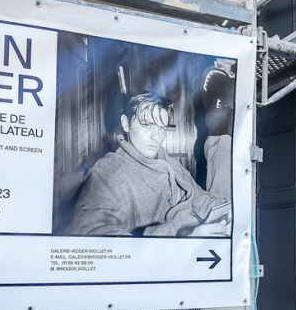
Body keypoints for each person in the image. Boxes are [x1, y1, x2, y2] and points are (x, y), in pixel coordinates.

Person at [71, 91, 230, 237]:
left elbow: (201, 198)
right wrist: (186, 240)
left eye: (162, 128)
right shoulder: (107, 171)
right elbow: (94, 236)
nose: (157, 137)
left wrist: (230, 211)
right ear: (126, 124)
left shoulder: (167, 161)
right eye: (147, 125)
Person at [196, 58, 235, 200]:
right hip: (221, 138)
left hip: (234, 139)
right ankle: (220, 222)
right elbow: (235, 98)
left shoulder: (234, 76)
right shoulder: (212, 73)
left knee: (233, 194)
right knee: (220, 195)